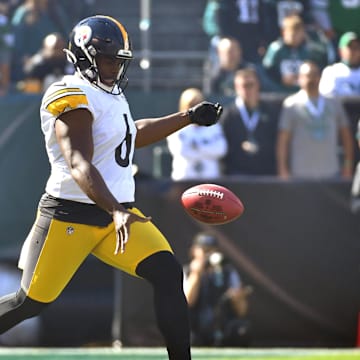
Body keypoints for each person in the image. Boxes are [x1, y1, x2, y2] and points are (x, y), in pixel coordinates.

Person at [0, 15, 223, 360]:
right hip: (70, 215)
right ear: (84, 57)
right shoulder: (69, 92)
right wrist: (116, 210)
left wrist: (187, 117)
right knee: (31, 302)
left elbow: (131, 134)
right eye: (107, 60)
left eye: (119, 61)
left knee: (168, 273)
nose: (114, 69)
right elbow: (78, 162)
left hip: (116, 215)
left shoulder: (111, 95)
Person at [276, 60, 354, 180]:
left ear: (320, 77)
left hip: (331, 173)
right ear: (300, 78)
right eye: (307, 76)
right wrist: (283, 169)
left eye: (314, 75)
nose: (311, 79)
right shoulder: (291, 104)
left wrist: (348, 165)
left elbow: (346, 136)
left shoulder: (334, 102)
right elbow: (283, 140)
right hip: (300, 175)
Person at [183, 232, 252, 347]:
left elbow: (242, 311)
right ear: (194, 251)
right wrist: (196, 274)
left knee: (242, 330)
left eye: (211, 251)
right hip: (196, 328)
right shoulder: (187, 271)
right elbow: (188, 301)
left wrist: (238, 298)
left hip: (222, 326)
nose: (208, 255)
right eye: (204, 250)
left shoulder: (228, 272)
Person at [220, 67, 279, 176]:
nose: (247, 90)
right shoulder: (228, 115)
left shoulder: (271, 112)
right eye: (243, 86)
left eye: (250, 85)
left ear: (258, 85)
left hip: (266, 174)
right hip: (237, 175)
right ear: (236, 87)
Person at [167, 87, 227, 181]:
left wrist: (196, 146)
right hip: (184, 180)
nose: (194, 108)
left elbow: (221, 149)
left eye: (197, 104)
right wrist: (207, 147)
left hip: (210, 180)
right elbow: (181, 150)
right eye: (191, 105)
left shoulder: (214, 127)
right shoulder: (176, 127)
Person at [262, 14, 328, 93]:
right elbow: (267, 70)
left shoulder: (309, 51)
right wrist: (280, 78)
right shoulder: (276, 49)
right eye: (292, 34)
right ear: (284, 32)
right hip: (279, 91)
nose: (296, 38)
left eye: (298, 33)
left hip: (302, 93)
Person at [319, 32, 360, 97]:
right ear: (340, 51)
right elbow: (326, 98)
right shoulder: (331, 71)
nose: (354, 51)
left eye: (356, 47)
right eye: (350, 47)